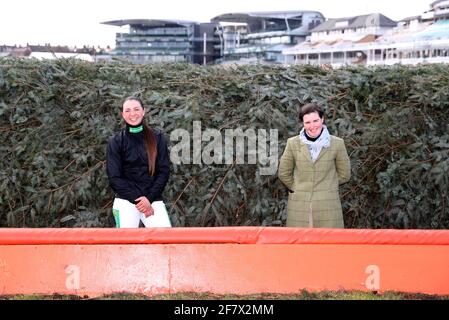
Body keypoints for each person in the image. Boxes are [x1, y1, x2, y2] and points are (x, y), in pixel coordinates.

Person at [278, 103, 351, 228]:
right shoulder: (293, 143)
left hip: (328, 207)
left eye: (315, 120)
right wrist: (298, 188)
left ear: (322, 119)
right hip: (299, 206)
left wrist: (328, 186)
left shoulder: (337, 144)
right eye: (307, 122)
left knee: (329, 245)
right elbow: (284, 173)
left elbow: (345, 175)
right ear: (303, 123)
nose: (312, 126)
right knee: (299, 245)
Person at [106, 97, 171, 228]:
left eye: (136, 109)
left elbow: (163, 172)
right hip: (125, 201)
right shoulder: (116, 141)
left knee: (167, 242)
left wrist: (149, 199)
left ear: (143, 111)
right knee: (124, 246)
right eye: (128, 110)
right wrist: (139, 201)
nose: (132, 114)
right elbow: (114, 178)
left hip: (152, 200)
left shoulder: (157, 138)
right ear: (122, 114)